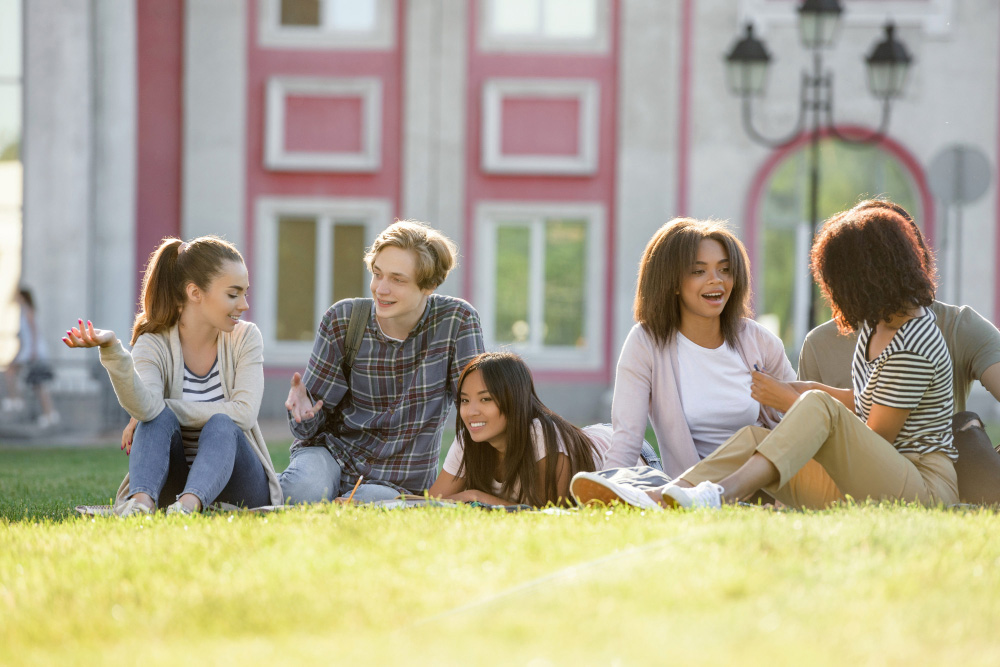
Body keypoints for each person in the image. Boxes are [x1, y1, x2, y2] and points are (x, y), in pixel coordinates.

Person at [611, 204, 959, 510]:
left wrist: (793, 401)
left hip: (919, 485)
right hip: (868, 482)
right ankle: (665, 498)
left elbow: (875, 441)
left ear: (868, 276)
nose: (833, 291)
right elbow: (871, 402)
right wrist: (804, 389)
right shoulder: (878, 326)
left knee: (818, 405)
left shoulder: (914, 342)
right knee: (752, 437)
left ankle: (719, 496)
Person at [797, 199, 1000, 505]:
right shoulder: (819, 343)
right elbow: (809, 434)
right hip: (850, 481)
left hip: (933, 477)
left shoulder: (958, 326)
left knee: (965, 424)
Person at [63, 236, 282, 516]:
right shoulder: (152, 342)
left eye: (245, 294)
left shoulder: (246, 337)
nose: (244, 305)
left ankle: (187, 508)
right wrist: (113, 350)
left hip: (238, 485)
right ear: (195, 292)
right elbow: (147, 409)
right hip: (173, 480)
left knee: (221, 424)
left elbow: (245, 413)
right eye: (233, 294)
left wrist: (162, 407)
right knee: (156, 419)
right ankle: (140, 505)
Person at [280, 220, 484, 504]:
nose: (381, 289)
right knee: (300, 491)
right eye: (377, 274)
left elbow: (477, 410)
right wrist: (304, 414)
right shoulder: (344, 320)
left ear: (429, 285)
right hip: (332, 455)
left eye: (397, 280)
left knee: (370, 507)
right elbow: (308, 429)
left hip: (397, 479)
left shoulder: (457, 322)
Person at [595, 218, 794, 478]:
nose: (716, 280)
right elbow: (626, 440)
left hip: (762, 482)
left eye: (725, 269)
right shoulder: (646, 343)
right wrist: (605, 490)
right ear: (672, 282)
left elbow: (800, 417)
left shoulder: (759, 341)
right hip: (691, 488)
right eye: (699, 271)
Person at [427, 352, 659, 507]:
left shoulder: (540, 437)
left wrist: (475, 497)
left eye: (485, 399)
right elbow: (432, 504)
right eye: (465, 400)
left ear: (514, 400)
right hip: (589, 437)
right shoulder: (468, 440)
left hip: (632, 460)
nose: (470, 412)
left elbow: (548, 515)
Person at [3, 287, 60, 428]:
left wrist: (33, 351)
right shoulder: (23, 312)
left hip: (33, 352)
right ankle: (47, 413)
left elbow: (34, 332)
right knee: (35, 383)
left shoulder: (28, 312)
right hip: (28, 351)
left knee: (38, 383)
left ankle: (18, 400)